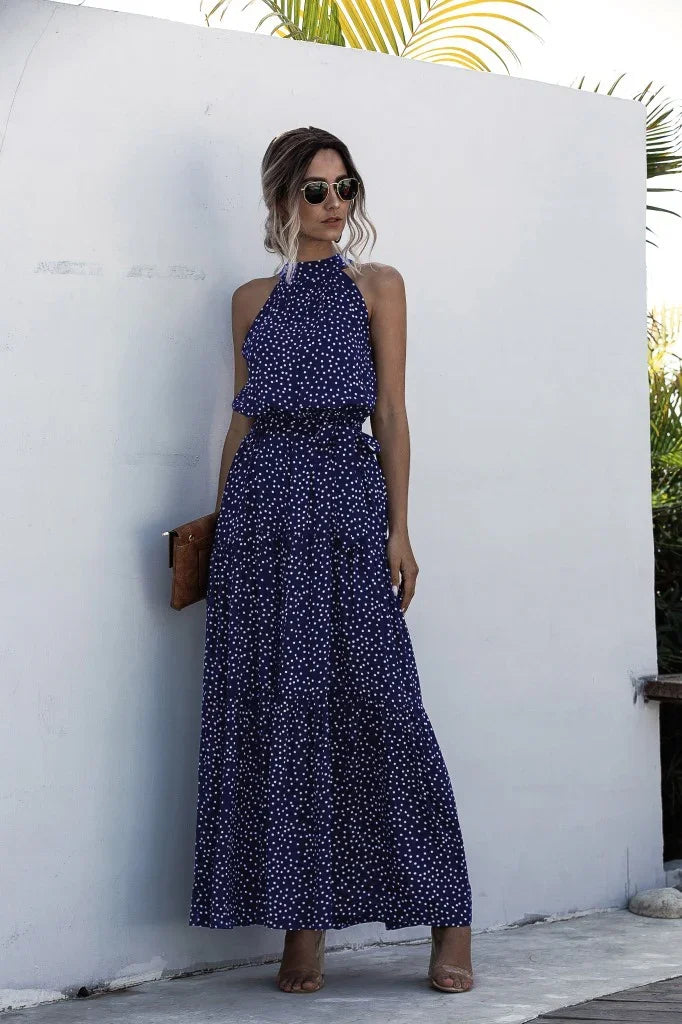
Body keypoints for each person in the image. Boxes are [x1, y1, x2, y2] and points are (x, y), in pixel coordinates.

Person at [188, 126, 474, 995]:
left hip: (346, 507)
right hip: (261, 523)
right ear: (281, 200)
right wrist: (220, 525)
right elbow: (241, 419)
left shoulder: (377, 287)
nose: (336, 203)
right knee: (280, 714)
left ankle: (449, 921)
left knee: (385, 705)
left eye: (346, 186)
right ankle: (301, 929)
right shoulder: (248, 300)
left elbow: (390, 412)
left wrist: (400, 529)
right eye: (316, 190)